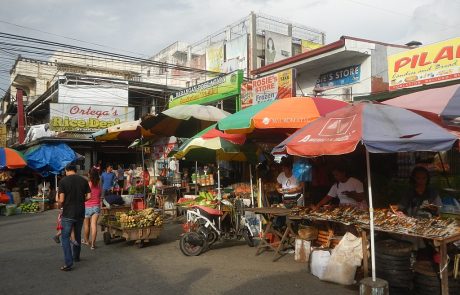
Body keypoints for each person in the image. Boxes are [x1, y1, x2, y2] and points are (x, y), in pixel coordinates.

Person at [57, 164, 91, 271]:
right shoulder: (83, 180)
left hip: (68, 213)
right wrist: (81, 201)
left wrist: (58, 202)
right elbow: (89, 196)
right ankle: (76, 257)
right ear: (75, 170)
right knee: (77, 235)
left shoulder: (63, 181)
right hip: (80, 211)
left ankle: (68, 262)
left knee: (65, 237)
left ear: (67, 170)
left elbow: (61, 200)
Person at [82, 169, 101, 250]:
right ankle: (93, 244)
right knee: (94, 225)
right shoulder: (98, 184)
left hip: (87, 206)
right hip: (96, 206)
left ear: (90, 175)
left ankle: (86, 241)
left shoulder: (88, 184)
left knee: (86, 225)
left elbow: (85, 195)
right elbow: (99, 194)